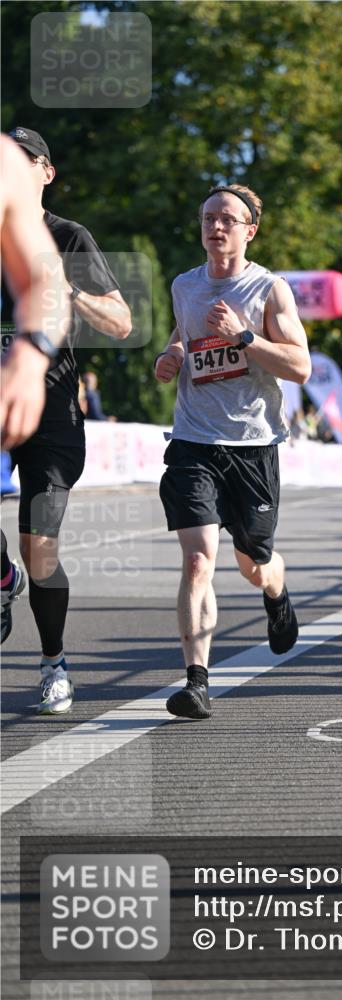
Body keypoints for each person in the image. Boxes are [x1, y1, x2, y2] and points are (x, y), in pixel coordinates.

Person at [154, 183, 311, 720]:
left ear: (250, 230)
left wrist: (244, 337)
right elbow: (185, 335)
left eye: (227, 218)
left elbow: (299, 366)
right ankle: (197, 681)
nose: (214, 226)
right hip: (194, 440)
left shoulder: (270, 289)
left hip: (252, 446)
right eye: (206, 218)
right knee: (198, 559)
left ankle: (277, 591)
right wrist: (171, 355)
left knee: (254, 564)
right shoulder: (184, 285)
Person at [1, 127, 131, 713]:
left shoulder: (68, 236)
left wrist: (68, 290)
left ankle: (54, 662)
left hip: (51, 415)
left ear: (45, 171)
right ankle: (4, 581)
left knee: (40, 546)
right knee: (18, 563)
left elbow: (122, 323)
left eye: (19, 160)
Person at [1, 133, 71, 643]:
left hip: (44, 407)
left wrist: (28, 356)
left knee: (40, 544)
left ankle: (53, 659)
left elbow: (45, 284)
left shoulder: (2, 164)